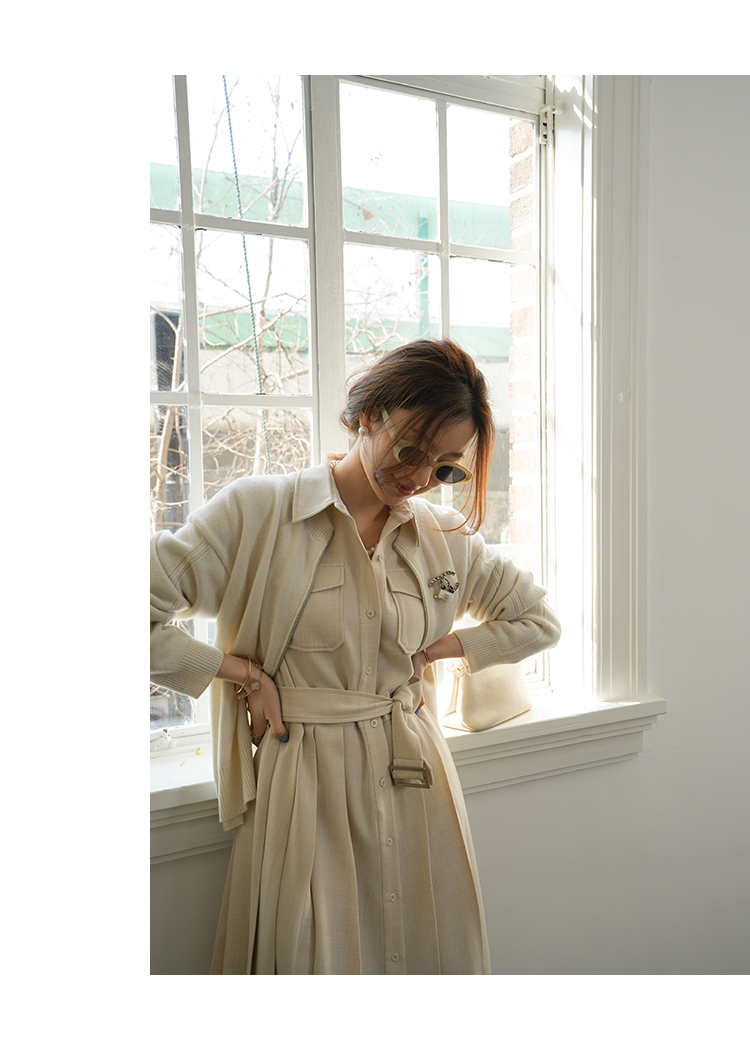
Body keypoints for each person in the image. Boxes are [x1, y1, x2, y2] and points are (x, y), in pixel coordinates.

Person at [150, 338, 561, 975]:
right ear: (368, 416)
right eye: (411, 451)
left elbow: (537, 621)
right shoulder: (259, 513)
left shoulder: (445, 538)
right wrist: (244, 674)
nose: (420, 479)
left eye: (446, 469)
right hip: (304, 782)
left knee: (427, 954)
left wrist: (443, 649)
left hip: (417, 780)